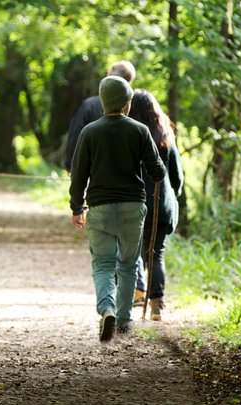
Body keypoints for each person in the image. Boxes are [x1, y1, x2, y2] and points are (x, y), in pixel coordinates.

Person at [69, 76, 166, 342]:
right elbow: (157, 171)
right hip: (133, 207)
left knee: (102, 264)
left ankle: (107, 309)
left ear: (102, 101)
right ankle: (124, 321)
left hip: (99, 207)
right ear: (126, 103)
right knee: (128, 264)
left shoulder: (89, 132)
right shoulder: (139, 130)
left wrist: (77, 206)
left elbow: (78, 175)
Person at [63, 61, 149, 304]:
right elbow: (155, 164)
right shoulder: (141, 113)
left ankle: (107, 308)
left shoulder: (90, 110)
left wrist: (76, 201)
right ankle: (133, 299)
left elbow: (75, 143)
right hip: (132, 198)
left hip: (99, 196)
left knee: (103, 261)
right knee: (129, 258)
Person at [127, 90, 183, 321]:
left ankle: (135, 296)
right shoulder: (165, 136)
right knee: (156, 254)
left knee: (135, 253)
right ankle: (157, 305)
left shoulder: (129, 136)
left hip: (135, 202)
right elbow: (176, 175)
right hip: (162, 203)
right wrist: (174, 193)